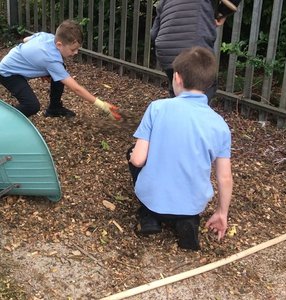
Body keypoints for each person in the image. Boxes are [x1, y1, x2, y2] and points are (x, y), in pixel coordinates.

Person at [127, 46, 233, 251]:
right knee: (188, 200)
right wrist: (222, 212)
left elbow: (138, 160)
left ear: (177, 78)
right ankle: (188, 222)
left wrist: (133, 155)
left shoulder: (157, 108)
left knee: (133, 152)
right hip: (192, 205)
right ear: (209, 84)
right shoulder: (220, 125)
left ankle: (149, 217)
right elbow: (225, 178)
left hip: (154, 199)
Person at [0, 19, 120, 120]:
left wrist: (36, 63)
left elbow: (26, 40)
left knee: (60, 71)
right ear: (59, 45)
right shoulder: (51, 60)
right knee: (32, 106)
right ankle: (6, 121)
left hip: (13, 61)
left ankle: (54, 108)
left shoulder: (47, 37)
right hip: (8, 73)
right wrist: (102, 105)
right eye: (73, 50)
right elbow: (76, 88)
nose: (76, 52)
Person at [150, 0, 242, 102]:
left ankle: (176, 113)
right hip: (194, 46)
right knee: (203, 89)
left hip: (166, 50)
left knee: (178, 91)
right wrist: (222, 13)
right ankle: (195, 115)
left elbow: (154, 33)